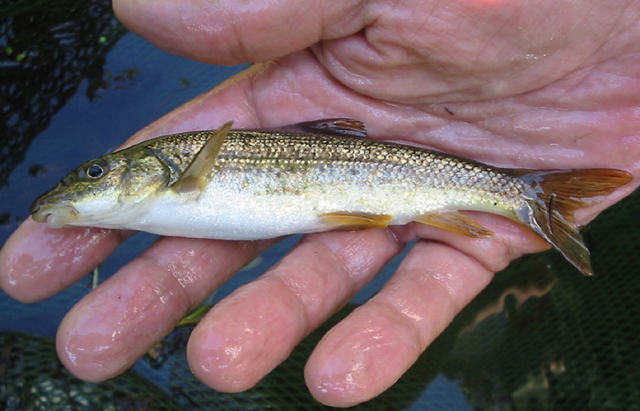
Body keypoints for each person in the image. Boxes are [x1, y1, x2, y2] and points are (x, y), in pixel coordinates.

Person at [1, 0, 639, 407]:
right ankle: (525, 197)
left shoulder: (179, 170)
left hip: (377, 186)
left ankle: (528, 198)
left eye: (95, 173)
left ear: (152, 172)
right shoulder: (164, 183)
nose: (80, 187)